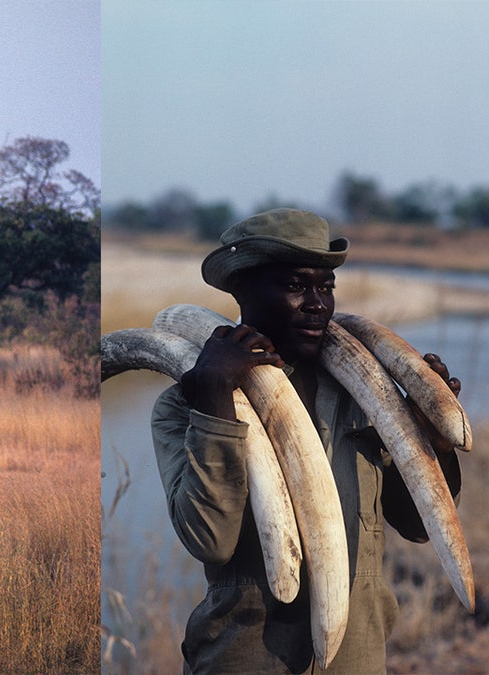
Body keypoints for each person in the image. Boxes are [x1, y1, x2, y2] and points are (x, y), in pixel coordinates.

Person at [150, 208, 463, 673]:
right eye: (296, 286)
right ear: (242, 289)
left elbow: (419, 525)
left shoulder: (368, 394)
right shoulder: (185, 402)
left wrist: (430, 436)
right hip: (245, 659)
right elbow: (209, 541)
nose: (317, 303)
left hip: (357, 659)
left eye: (326, 287)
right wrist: (215, 397)